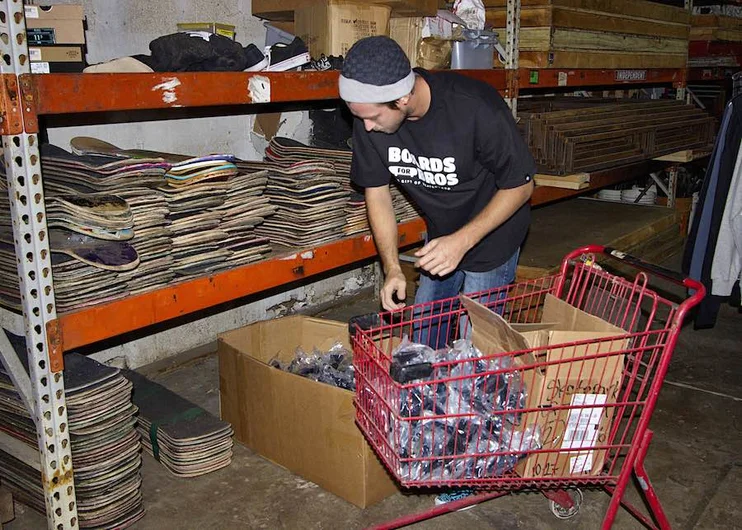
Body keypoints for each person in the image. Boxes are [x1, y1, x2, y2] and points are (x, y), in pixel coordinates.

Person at [340, 36, 536, 353]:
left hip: (493, 235)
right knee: (422, 344)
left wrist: (462, 241)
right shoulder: (368, 122)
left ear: (402, 98)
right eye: (359, 117)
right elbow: (377, 194)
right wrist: (391, 268)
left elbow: (522, 184)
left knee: (474, 351)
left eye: (373, 117)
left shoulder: (474, 107)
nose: (367, 128)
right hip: (442, 236)